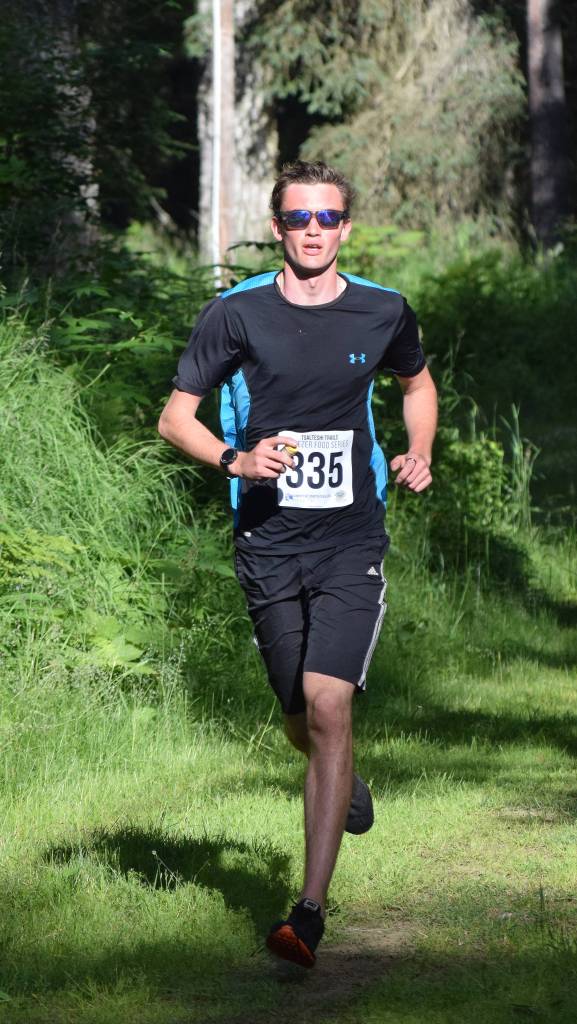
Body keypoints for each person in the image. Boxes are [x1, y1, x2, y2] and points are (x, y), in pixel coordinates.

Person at [158, 160, 437, 968]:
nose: (313, 230)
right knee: (296, 713)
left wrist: (418, 449)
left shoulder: (383, 309)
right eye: (298, 218)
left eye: (327, 217)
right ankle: (339, 775)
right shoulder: (235, 313)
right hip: (267, 539)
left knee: (327, 702)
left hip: (351, 539)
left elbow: (417, 385)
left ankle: (306, 913)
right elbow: (176, 419)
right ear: (276, 226)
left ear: (345, 225)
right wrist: (235, 460)